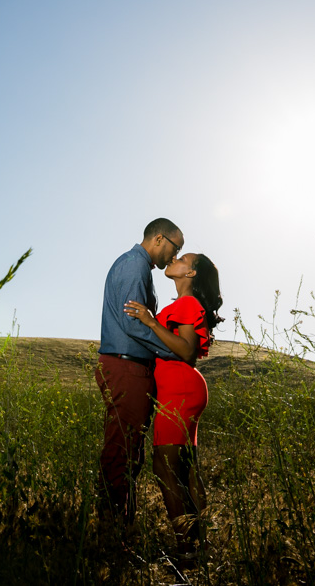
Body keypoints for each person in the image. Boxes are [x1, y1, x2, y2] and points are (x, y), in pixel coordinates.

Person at [124, 252, 222, 567]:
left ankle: (186, 551)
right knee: (185, 470)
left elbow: (186, 351)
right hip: (178, 389)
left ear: (190, 273)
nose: (175, 259)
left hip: (180, 389)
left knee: (166, 470)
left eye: (184, 258)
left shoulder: (188, 304)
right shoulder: (180, 304)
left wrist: (150, 321)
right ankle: (199, 546)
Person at [97, 218, 184, 529]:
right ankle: (110, 531)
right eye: (175, 248)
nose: (174, 257)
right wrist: (172, 351)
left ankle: (119, 528)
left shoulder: (136, 266)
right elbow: (133, 324)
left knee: (130, 451)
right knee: (122, 451)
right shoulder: (135, 266)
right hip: (127, 367)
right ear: (159, 239)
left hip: (130, 367)